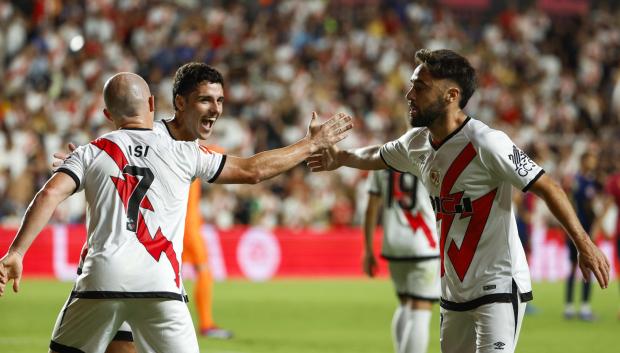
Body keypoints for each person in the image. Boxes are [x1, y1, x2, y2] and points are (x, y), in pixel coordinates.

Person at [0, 72, 352, 353]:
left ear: (108, 116)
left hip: (101, 280)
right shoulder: (184, 151)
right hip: (160, 286)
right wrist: (310, 145)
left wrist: (17, 252)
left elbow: (48, 194)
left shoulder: (93, 152)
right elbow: (252, 171)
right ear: (153, 103)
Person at [306, 48, 610, 353]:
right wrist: (340, 158)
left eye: (420, 87)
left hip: (498, 286)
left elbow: (548, 187)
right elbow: (377, 155)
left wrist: (584, 244)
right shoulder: (416, 143)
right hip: (453, 291)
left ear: (451, 95)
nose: (410, 94)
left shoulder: (488, 142)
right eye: (412, 85)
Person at [363, 169, 439, 353]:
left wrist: (368, 250)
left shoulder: (381, 158)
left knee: (405, 303)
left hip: (393, 243)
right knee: (420, 308)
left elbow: (372, 207)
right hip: (423, 243)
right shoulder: (425, 154)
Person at [564, 151, 601, 321]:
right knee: (575, 266)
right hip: (578, 231)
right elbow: (585, 206)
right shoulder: (579, 182)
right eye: (591, 160)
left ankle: (581, 306)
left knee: (586, 266)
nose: (593, 163)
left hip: (582, 230)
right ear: (583, 161)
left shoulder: (589, 181)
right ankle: (572, 307)